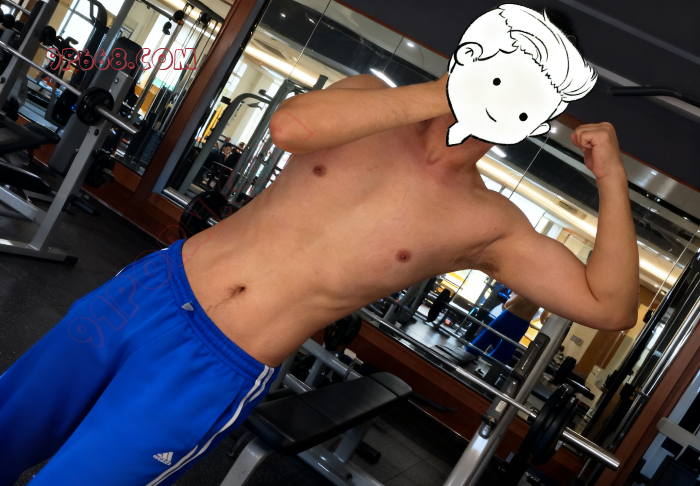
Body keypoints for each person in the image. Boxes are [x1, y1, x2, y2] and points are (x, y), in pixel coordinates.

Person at [0, 5, 639, 485]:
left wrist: (612, 179)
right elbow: (290, 126)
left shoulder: (487, 221)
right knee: (7, 427)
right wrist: (455, 91)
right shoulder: (369, 96)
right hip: (151, 292)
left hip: (217, 364)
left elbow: (608, 306)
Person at [470, 293, 549, 364]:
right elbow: (543, 319)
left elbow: (507, 304)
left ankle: (471, 353)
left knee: (488, 335)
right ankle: (495, 365)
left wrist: (514, 295)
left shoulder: (529, 288)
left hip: (509, 315)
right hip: (523, 322)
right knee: (508, 346)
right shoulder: (547, 296)